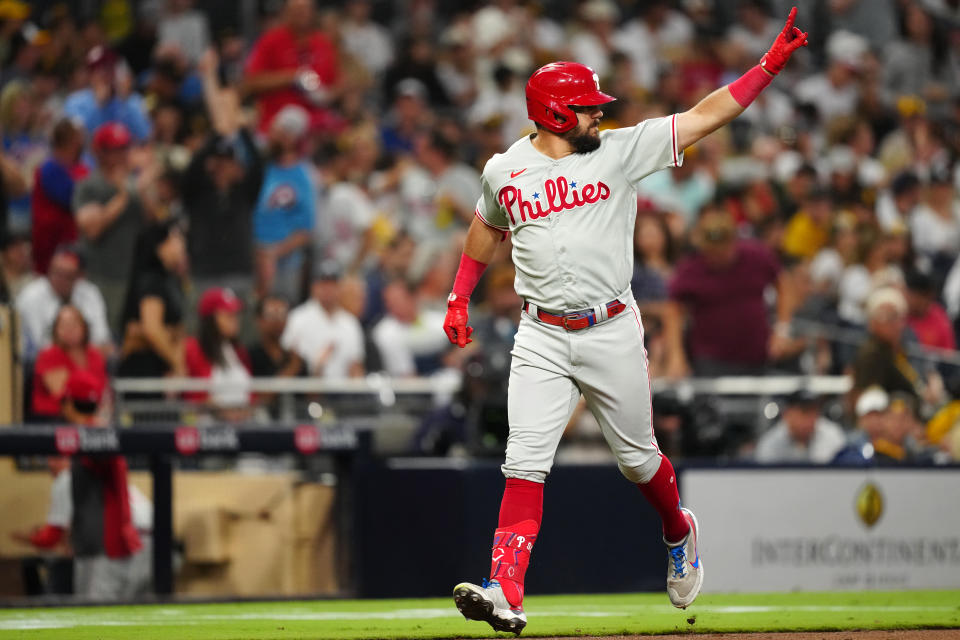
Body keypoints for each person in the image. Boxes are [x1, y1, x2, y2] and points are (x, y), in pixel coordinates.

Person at [443, 9, 808, 634]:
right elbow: (485, 225)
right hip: (541, 335)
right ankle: (505, 590)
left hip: (611, 327)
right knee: (523, 460)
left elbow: (704, 115)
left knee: (638, 460)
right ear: (556, 114)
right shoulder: (504, 169)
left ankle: (677, 528)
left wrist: (766, 68)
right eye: (586, 108)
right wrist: (458, 296)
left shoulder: (619, 150)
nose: (598, 115)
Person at [61, 369, 149, 600]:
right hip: (99, 546)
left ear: (69, 403)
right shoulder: (92, 431)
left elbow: (104, 460)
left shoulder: (94, 433)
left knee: (95, 624)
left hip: (106, 547)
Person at [73, 122, 149, 335]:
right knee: (104, 336)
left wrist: (141, 189)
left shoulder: (135, 184)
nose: (123, 154)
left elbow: (154, 221)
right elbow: (92, 230)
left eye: (125, 147)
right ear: (100, 153)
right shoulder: (89, 186)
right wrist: (122, 195)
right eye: (116, 149)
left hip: (135, 278)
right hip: (102, 277)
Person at [241, 0, 341, 135]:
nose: (302, 13)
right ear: (286, 13)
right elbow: (250, 81)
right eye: (297, 9)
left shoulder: (323, 43)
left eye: (306, 9)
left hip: (318, 125)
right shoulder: (270, 40)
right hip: (278, 124)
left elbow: (338, 82)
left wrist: (329, 95)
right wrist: (292, 77)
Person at [252, 105, 316, 302]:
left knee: (282, 314)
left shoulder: (304, 176)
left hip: (286, 264)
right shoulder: (261, 168)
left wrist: (273, 253)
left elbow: (307, 231)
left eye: (282, 133)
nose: (275, 136)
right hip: (254, 258)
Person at [116, 219, 187, 384]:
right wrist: (178, 364)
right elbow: (152, 329)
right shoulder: (151, 280)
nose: (182, 243)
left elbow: (177, 329)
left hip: (160, 367)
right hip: (142, 370)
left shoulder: (170, 280)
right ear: (160, 246)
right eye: (175, 238)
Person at [15, 246, 112, 361]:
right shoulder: (30, 297)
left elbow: (102, 339)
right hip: (46, 361)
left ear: (79, 276)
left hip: (87, 360)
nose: (59, 280)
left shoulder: (90, 293)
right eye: (56, 273)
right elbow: (39, 347)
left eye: (67, 276)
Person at [281, 260, 364, 379]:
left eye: (333, 284)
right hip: (306, 391)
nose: (328, 290)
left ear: (340, 287)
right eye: (324, 284)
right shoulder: (297, 318)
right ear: (314, 286)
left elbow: (355, 366)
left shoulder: (350, 322)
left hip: (343, 393)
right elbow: (289, 362)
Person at [30, 118, 88, 275]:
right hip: (51, 246)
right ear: (71, 141)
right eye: (79, 138)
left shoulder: (79, 167)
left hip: (72, 244)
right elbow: (75, 200)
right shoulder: (50, 169)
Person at [31, 304, 108, 421]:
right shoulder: (49, 355)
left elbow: (103, 393)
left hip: (94, 416)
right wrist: (87, 423)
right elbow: (63, 399)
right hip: (53, 421)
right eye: (63, 325)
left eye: (73, 324)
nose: (69, 330)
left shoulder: (95, 355)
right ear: (55, 330)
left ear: (84, 327)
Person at [184, 287, 252, 418]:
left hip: (243, 426)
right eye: (228, 314)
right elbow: (193, 396)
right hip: (207, 428)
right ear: (210, 318)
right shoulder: (193, 348)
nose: (235, 319)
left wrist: (245, 412)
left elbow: (251, 393)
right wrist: (226, 413)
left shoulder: (239, 351)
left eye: (236, 314)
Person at [754, 390, 846, 464]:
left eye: (814, 411)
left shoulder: (833, 435)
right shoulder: (771, 443)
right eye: (804, 412)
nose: (810, 418)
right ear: (787, 414)